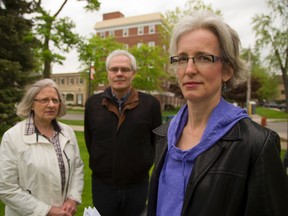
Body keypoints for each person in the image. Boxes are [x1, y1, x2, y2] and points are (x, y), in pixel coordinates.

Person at [147, 10, 288, 216]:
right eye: (182, 58)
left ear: (227, 70)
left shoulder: (257, 145)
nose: (189, 69)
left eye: (203, 57)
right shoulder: (164, 136)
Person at [84, 49, 162, 216]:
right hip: (102, 185)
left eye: (125, 69)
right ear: (108, 73)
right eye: (114, 69)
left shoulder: (151, 104)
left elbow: (157, 142)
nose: (119, 74)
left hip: (137, 186)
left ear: (133, 73)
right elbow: (90, 140)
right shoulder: (92, 104)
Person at [0, 79, 84, 216]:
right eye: (44, 100)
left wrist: (73, 199)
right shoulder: (13, 137)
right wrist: (46, 211)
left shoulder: (68, 132)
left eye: (55, 100)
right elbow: (6, 187)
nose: (51, 105)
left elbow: (77, 168)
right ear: (31, 104)